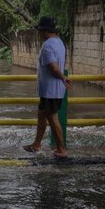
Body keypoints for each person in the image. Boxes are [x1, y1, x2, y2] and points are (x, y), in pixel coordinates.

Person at [23, 16, 72, 158]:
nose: (39, 34)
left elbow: (54, 67)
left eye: (40, 31)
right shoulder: (60, 42)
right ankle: (36, 144)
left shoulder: (47, 46)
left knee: (52, 118)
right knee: (42, 115)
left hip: (50, 90)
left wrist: (63, 77)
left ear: (45, 31)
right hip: (51, 90)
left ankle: (61, 150)